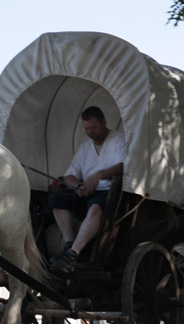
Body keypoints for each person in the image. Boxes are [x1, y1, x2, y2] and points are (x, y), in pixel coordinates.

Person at [48, 106, 126, 276]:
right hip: (85, 193)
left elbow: (123, 167)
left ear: (104, 122)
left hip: (110, 193)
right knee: (57, 199)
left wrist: (99, 175)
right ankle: (69, 244)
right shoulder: (85, 147)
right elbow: (69, 175)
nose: (90, 132)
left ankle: (73, 253)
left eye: (94, 127)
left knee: (96, 207)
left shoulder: (118, 140)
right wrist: (77, 186)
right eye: (87, 129)